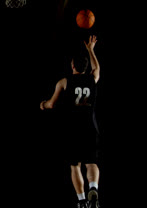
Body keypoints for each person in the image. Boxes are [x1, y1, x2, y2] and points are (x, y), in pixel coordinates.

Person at [40, 35, 101, 208]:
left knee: (75, 166)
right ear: (86, 67)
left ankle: (82, 200)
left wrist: (43, 105)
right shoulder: (92, 79)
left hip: (73, 129)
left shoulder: (65, 82)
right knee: (92, 163)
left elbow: (51, 104)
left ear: (72, 66)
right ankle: (94, 188)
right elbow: (97, 68)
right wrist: (91, 50)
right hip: (90, 127)